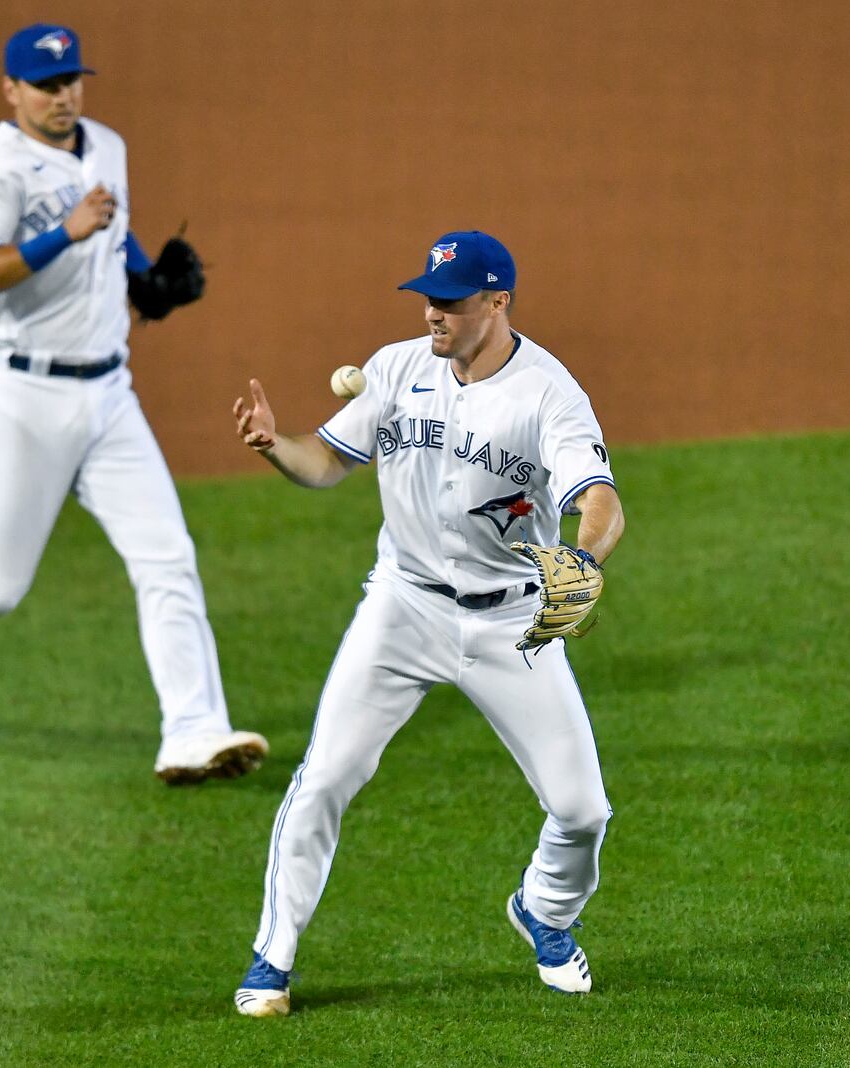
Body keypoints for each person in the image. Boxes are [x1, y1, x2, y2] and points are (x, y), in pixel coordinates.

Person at [0, 22, 267, 785]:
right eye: (46, 85)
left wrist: (145, 278)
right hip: (21, 396)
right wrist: (61, 236)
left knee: (167, 557)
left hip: (109, 395)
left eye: (71, 81)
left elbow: (115, 227)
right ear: (11, 89)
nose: (63, 96)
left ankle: (193, 731)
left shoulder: (106, 143)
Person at [229, 231, 624, 1016]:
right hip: (401, 607)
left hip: (509, 624)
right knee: (324, 779)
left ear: (498, 301)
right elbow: (327, 461)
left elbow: (600, 500)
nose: (432, 313)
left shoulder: (550, 394)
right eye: (426, 298)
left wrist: (586, 562)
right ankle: (271, 959)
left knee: (583, 811)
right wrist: (277, 445)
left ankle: (545, 910)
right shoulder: (396, 367)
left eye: (449, 301)